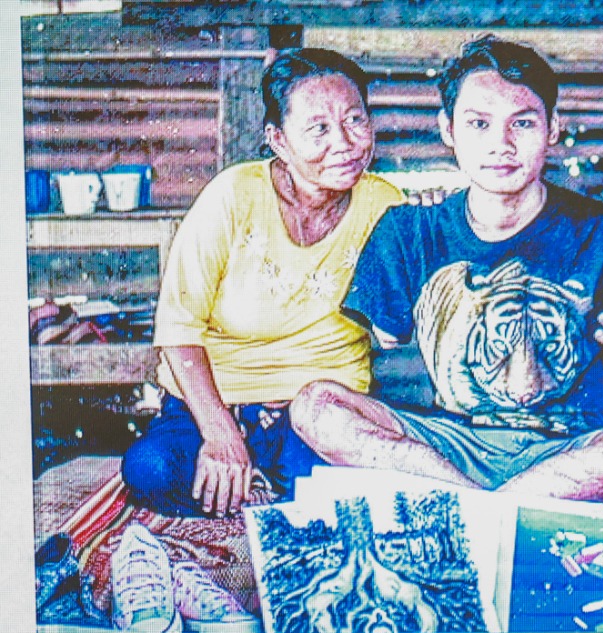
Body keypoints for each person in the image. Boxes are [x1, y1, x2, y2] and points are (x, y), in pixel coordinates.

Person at [293, 37, 603, 503]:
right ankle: (493, 510)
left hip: (573, 454)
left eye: (523, 122)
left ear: (553, 128)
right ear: (447, 129)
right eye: (479, 123)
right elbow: (384, 340)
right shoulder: (409, 230)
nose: (501, 145)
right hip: (446, 449)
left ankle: (477, 513)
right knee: (315, 405)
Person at [123, 49, 400, 518]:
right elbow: (178, 327)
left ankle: (257, 493)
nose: (344, 143)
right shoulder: (233, 195)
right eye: (319, 129)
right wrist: (220, 435)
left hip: (320, 411)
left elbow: (398, 319)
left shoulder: (386, 205)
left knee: (335, 495)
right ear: (278, 140)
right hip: (215, 404)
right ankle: (257, 487)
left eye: (355, 120)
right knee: (151, 469)